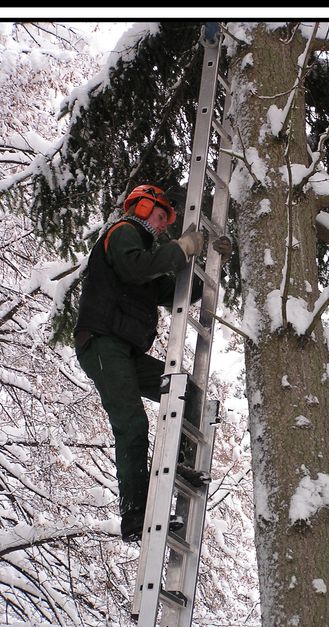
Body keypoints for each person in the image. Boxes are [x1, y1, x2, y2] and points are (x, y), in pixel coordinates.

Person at [74, 184, 232, 542]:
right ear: (143, 208)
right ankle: (135, 513)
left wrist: (212, 264)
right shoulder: (123, 234)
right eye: (161, 217)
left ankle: (183, 464)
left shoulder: (146, 255)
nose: (163, 226)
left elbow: (170, 293)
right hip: (101, 342)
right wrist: (182, 248)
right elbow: (135, 268)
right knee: (131, 423)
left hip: (125, 352)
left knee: (184, 389)